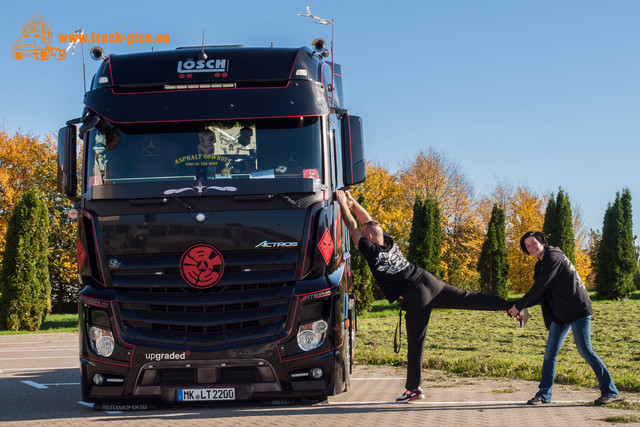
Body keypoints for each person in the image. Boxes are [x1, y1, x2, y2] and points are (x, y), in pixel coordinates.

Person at [336, 190, 529, 403]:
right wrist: (352, 203)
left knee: (416, 342)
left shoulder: (370, 249)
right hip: (429, 281)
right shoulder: (387, 241)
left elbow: (353, 227)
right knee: (469, 298)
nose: (362, 236)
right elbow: (368, 222)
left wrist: (341, 203)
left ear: (369, 238)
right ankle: (514, 307)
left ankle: (413, 389)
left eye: (365, 235)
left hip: (416, 294)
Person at [508, 231, 621, 406]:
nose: (531, 247)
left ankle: (610, 391)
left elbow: (539, 288)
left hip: (577, 310)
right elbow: (540, 294)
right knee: (550, 354)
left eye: (533, 243)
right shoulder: (540, 265)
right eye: (527, 246)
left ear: (542, 241)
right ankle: (544, 395)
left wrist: (517, 306)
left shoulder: (554, 257)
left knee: (585, 351)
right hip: (560, 314)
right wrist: (517, 305)